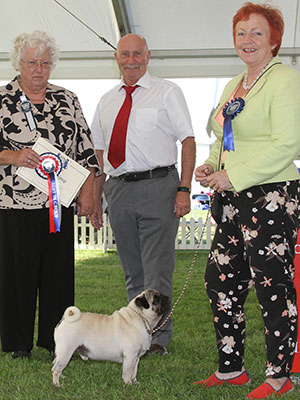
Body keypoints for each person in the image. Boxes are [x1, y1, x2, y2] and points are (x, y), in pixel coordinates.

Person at [194, 3, 300, 399]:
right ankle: (231, 369)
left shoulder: (286, 80)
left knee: (272, 284)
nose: (248, 40)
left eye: (257, 33)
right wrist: (209, 166)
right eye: (241, 33)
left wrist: (233, 175)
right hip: (232, 197)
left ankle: (278, 376)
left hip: (271, 195)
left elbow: (288, 143)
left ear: (275, 39)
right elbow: (222, 138)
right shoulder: (234, 84)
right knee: (220, 280)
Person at [90, 33, 195, 354]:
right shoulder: (107, 100)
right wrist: (97, 197)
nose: (131, 60)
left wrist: (184, 189)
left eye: (137, 54)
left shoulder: (167, 92)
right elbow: (97, 151)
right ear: (117, 58)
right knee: (132, 270)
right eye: (125, 54)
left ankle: (159, 339)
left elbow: (188, 141)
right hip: (118, 190)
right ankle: (134, 336)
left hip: (159, 187)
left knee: (156, 270)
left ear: (148, 56)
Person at [0, 31, 100, 359]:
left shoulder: (68, 98)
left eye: (45, 63)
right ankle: (18, 344)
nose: (39, 69)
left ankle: (58, 340)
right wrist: (12, 156)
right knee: (18, 273)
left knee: (58, 274)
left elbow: (86, 150)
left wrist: (89, 193)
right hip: (14, 203)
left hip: (59, 202)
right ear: (18, 63)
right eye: (31, 63)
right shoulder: (2, 99)